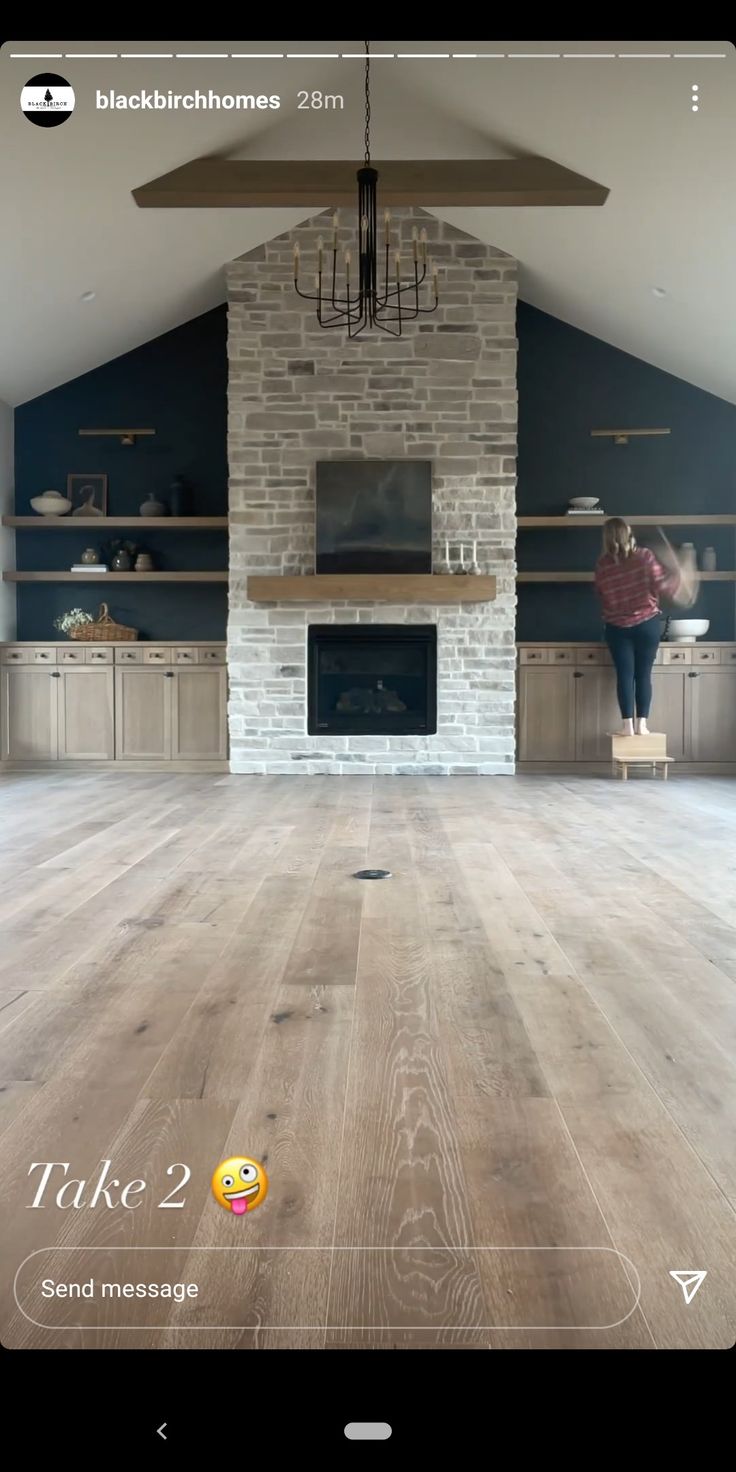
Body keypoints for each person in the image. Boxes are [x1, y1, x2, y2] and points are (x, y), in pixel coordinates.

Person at [594, 517, 681, 737]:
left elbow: (601, 594)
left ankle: (627, 727)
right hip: (647, 624)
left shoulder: (603, 564)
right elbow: (663, 586)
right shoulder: (644, 556)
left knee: (624, 675)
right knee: (643, 675)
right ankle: (642, 725)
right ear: (628, 534)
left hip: (616, 627)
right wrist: (677, 573)